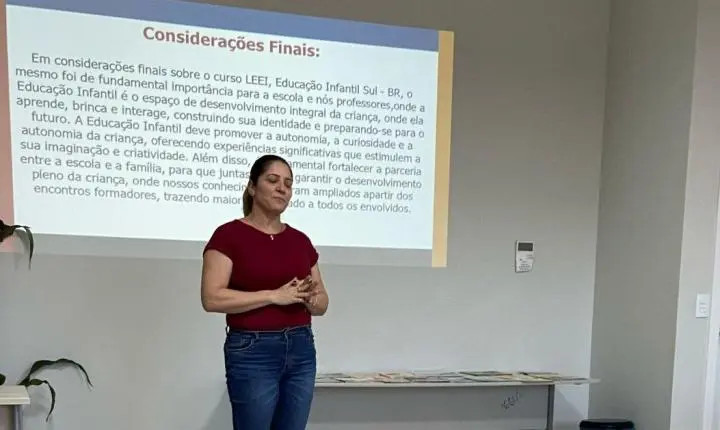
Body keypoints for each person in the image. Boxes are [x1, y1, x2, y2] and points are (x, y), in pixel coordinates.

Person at [200, 154, 329, 430]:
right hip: (253, 349)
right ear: (252, 187)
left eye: (288, 184)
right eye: (273, 180)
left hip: (301, 347)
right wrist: (273, 295)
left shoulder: (300, 241)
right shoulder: (228, 235)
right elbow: (211, 298)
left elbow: (322, 303)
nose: (282, 188)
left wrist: (311, 298)